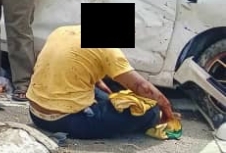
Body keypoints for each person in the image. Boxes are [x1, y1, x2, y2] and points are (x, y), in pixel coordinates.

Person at [27, 25, 176, 139]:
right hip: (66, 121)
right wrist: (168, 112)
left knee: (103, 94)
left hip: (35, 114)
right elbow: (142, 87)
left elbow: (84, 71)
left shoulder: (61, 31)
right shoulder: (108, 49)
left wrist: (108, 96)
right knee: (150, 110)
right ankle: (153, 117)